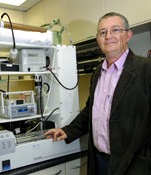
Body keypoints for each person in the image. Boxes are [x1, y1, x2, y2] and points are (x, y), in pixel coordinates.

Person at [45, 12, 151, 175]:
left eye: (115, 30)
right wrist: (68, 130)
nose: (108, 36)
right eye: (103, 32)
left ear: (128, 35)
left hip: (134, 165)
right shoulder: (98, 72)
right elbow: (91, 109)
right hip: (100, 161)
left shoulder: (146, 68)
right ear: (98, 39)